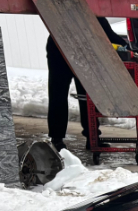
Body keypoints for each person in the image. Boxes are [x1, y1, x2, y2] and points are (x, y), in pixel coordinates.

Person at [47, 17, 129, 151]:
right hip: (59, 50)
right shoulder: (62, 7)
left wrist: (125, 47)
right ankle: (57, 138)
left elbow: (107, 33)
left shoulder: (91, 10)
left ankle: (92, 138)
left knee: (88, 96)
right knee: (58, 95)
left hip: (83, 53)